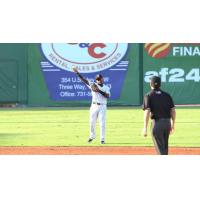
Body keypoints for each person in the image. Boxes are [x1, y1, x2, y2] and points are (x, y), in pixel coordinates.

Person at [72, 66, 110, 144]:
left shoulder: (106, 87)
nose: (100, 80)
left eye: (101, 78)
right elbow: (84, 80)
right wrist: (77, 73)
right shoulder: (93, 85)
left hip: (102, 106)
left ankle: (102, 139)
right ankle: (92, 136)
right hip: (94, 106)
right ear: (96, 80)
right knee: (92, 122)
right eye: (98, 79)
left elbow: (107, 96)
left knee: (102, 123)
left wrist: (99, 90)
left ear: (103, 79)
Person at [142, 76, 176, 155]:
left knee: (160, 151)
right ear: (160, 84)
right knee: (164, 149)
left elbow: (147, 111)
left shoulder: (148, 95)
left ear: (151, 84)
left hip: (157, 124)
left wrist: (145, 128)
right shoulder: (167, 95)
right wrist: (173, 124)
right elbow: (173, 111)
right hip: (167, 124)